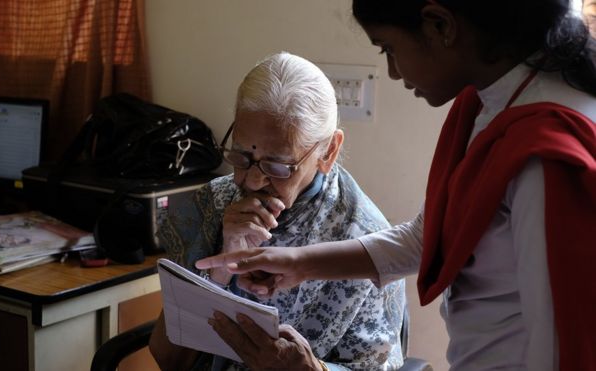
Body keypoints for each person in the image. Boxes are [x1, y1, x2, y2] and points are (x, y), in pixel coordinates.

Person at [197, 1, 596, 370]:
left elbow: (564, 348)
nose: (392, 71)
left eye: (388, 48)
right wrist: (298, 264)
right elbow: (429, 238)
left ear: (440, 25)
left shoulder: (544, 157)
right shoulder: (486, 107)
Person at [149, 52, 406, 371]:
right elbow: (168, 358)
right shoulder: (213, 202)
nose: (253, 181)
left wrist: (314, 370)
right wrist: (221, 269)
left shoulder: (365, 241)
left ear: (328, 151)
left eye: (278, 165)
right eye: (242, 156)